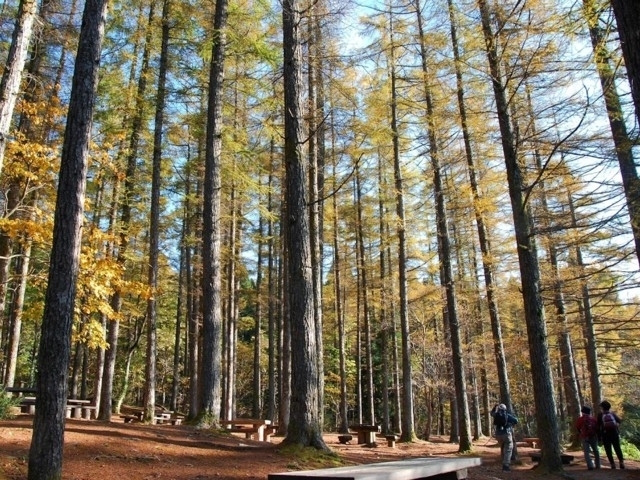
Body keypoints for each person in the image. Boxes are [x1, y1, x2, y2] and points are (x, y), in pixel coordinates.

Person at [491, 403, 518, 472]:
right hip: (506, 434)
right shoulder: (507, 415)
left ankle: (503, 461)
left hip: (498, 435)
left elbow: (492, 413)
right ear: (505, 409)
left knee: (503, 448)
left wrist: (495, 407)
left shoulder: (496, 414)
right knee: (508, 449)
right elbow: (516, 421)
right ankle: (506, 466)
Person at [597, 400, 624, 469]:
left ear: (602, 408)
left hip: (605, 435)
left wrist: (599, 437)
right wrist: (616, 427)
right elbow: (619, 421)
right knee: (617, 448)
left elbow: (598, 426)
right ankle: (621, 462)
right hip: (615, 433)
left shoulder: (600, 415)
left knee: (608, 449)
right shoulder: (612, 414)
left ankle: (612, 464)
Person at [576, 405, 600, 470]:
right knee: (596, 450)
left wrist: (581, 433)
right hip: (593, 436)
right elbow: (597, 428)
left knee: (586, 452)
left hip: (584, 437)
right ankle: (598, 465)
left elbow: (578, 428)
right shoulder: (593, 419)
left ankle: (590, 465)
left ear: (583, 412)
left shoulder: (580, 419)